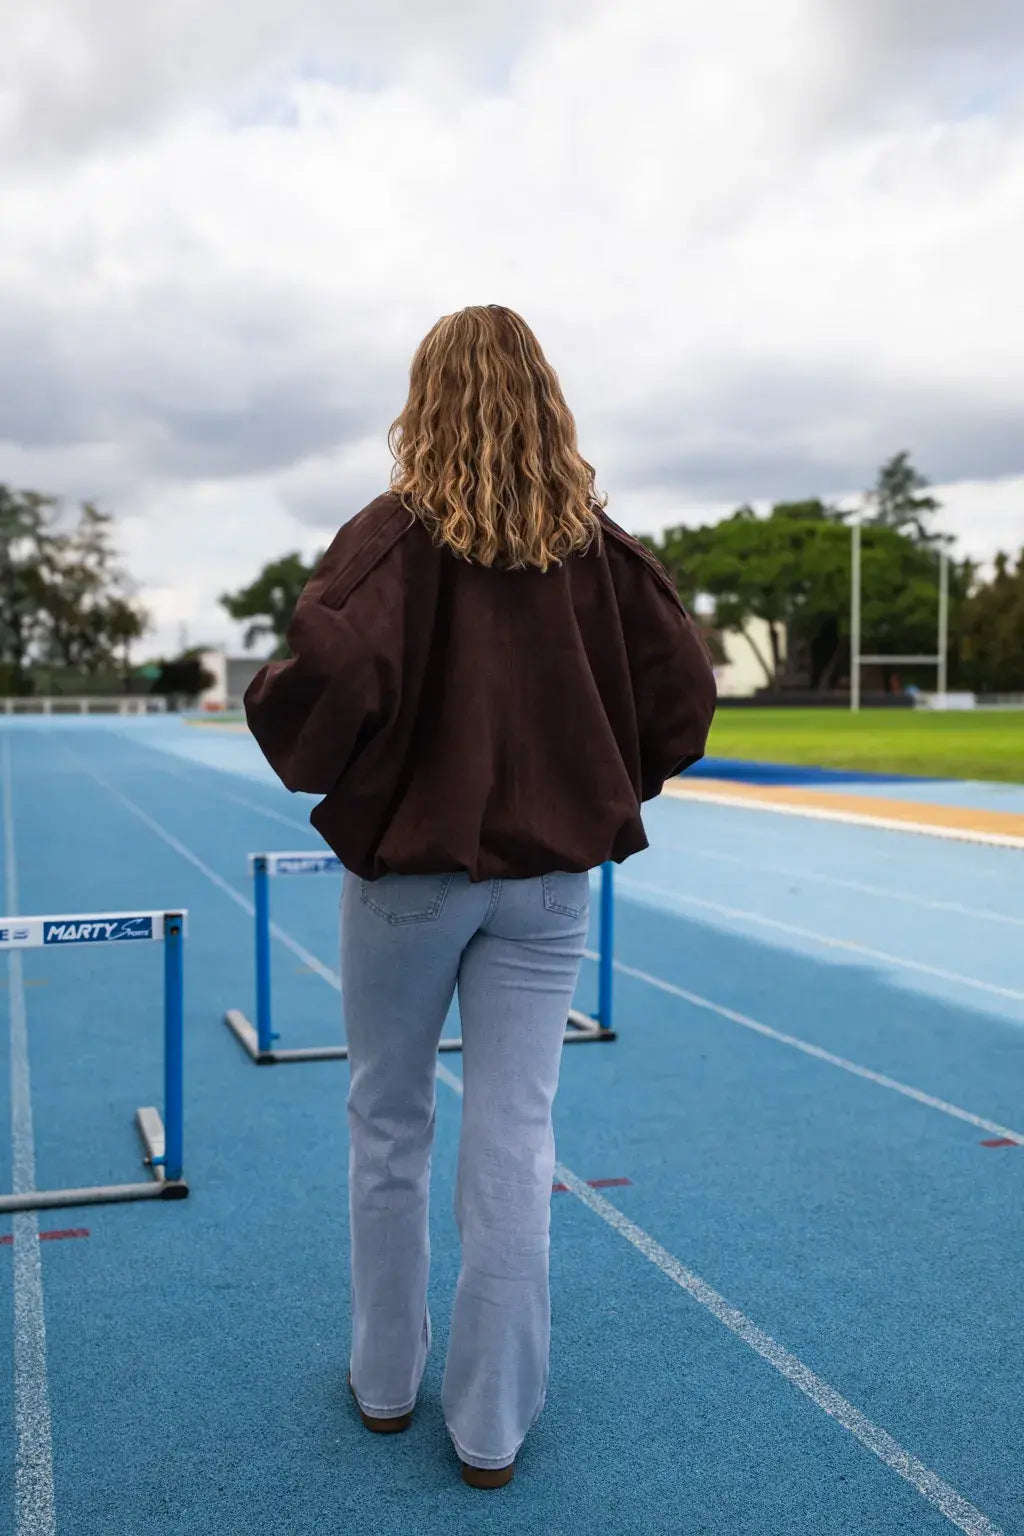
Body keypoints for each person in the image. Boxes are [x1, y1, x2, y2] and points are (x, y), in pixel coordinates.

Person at [244, 304, 717, 1490]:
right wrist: (596, 785)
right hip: (548, 884)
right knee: (515, 1135)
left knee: (388, 1123)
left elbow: (323, 677)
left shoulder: (391, 538)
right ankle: (491, 1426)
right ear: (546, 402)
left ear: (426, 401)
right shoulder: (598, 549)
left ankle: (386, 1383)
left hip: (409, 881)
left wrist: (344, 766)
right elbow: (686, 690)